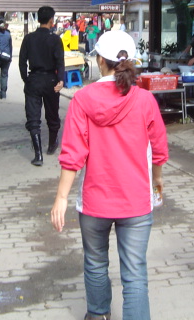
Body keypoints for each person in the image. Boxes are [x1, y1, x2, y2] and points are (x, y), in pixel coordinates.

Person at [51, 30, 168, 320]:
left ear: (100, 61)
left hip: (94, 202)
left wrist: (61, 197)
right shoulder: (145, 100)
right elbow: (159, 149)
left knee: (95, 263)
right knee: (135, 273)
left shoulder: (82, 99)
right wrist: (157, 180)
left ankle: (98, 314)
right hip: (136, 201)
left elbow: (73, 154)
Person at [19, 6, 65, 166]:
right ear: (52, 20)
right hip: (51, 80)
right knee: (52, 114)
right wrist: (61, 80)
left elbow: (22, 62)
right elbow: (60, 62)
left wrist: (26, 79)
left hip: (34, 79)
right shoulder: (55, 39)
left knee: (33, 117)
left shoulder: (28, 38)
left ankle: (38, 155)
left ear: (38, 19)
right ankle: (52, 145)